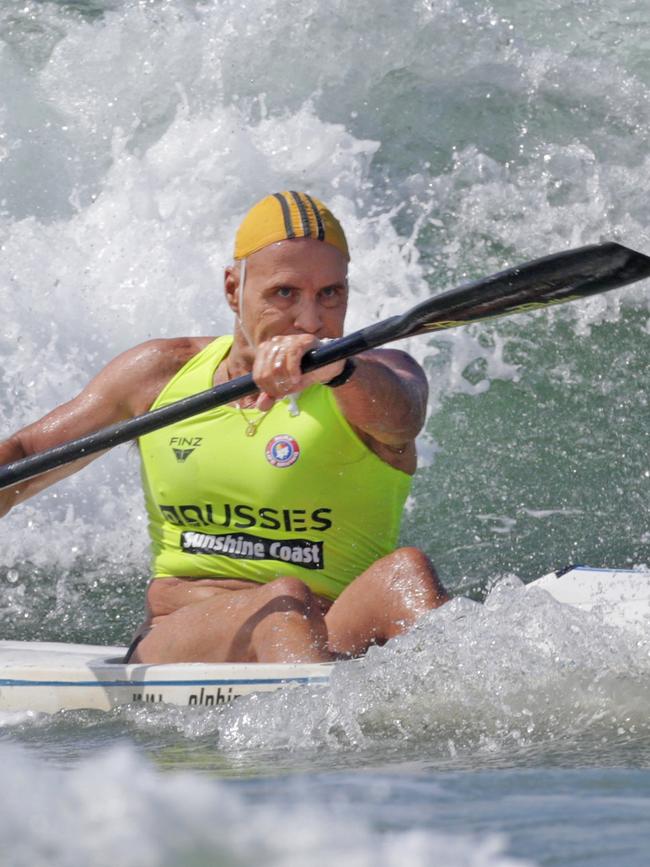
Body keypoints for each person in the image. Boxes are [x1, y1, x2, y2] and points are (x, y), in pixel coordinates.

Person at [0, 191, 448, 664]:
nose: (311, 319)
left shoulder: (377, 376)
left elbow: (403, 416)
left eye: (330, 294)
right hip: (182, 636)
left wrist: (338, 371)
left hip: (330, 633)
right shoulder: (160, 374)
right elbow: (27, 453)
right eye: (284, 293)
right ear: (234, 289)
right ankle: (320, 724)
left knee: (407, 573)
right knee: (283, 605)